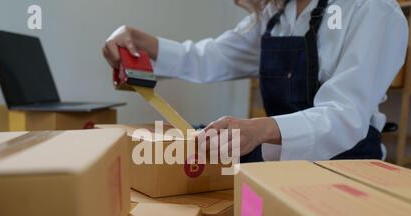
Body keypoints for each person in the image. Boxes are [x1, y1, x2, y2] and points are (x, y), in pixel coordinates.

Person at [103, 0, 408, 162]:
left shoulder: (372, 9)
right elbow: (208, 57)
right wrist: (142, 43)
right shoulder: (276, 13)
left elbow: (345, 116)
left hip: (346, 164)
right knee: (174, 143)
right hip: (278, 159)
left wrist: (257, 129)